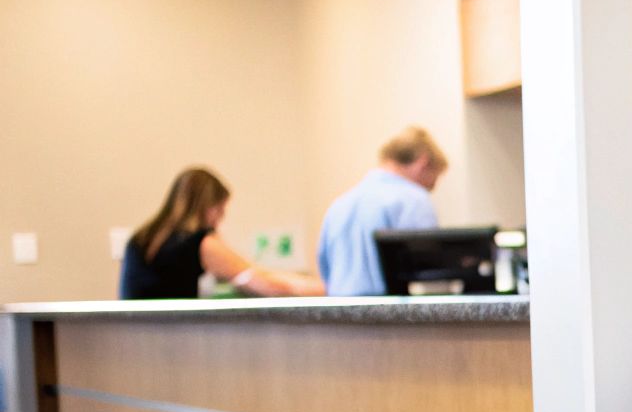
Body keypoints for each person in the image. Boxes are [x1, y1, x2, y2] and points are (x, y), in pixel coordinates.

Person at [120, 167, 325, 299]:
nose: (221, 218)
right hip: (171, 342)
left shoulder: (140, 238)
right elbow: (264, 281)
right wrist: (329, 288)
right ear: (207, 207)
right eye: (220, 209)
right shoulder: (199, 243)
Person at [316, 126, 446, 295]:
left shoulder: (339, 205)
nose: (429, 190)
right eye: (430, 184)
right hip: (392, 317)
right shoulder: (413, 199)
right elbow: (430, 273)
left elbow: (326, 271)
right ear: (423, 163)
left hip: (340, 316)